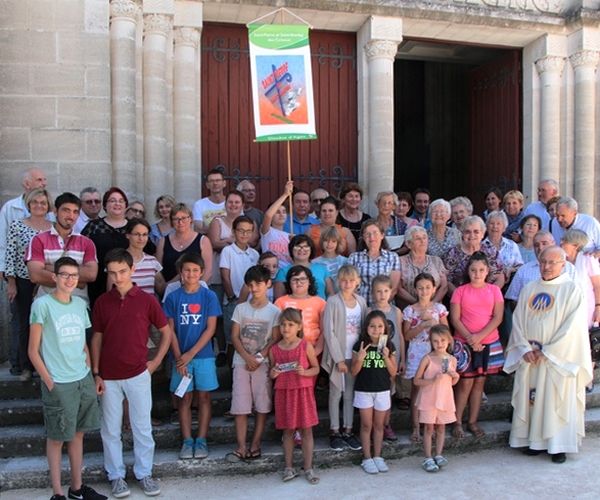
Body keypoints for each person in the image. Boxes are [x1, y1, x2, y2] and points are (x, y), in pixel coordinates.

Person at [91, 248, 172, 498]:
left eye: (122, 271)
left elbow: (166, 331)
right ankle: (116, 476)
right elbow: (96, 338)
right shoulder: (103, 302)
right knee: (111, 430)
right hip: (109, 375)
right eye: (113, 273)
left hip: (138, 372)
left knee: (142, 426)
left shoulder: (147, 300)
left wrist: (156, 361)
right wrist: (96, 372)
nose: (118, 277)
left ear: (132, 270)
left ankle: (144, 473)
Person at [504, 246, 592, 463]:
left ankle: (557, 445)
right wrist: (524, 348)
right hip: (531, 358)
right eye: (543, 262)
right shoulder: (530, 288)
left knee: (555, 401)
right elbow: (517, 321)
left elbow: (573, 327)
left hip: (557, 360)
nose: (547, 266)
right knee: (532, 400)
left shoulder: (571, 289)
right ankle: (534, 442)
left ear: (564, 264)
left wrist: (549, 351)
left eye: (552, 262)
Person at [28, 257, 106, 500]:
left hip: (81, 378)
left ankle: (76, 488)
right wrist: (49, 380)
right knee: (56, 438)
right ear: (54, 277)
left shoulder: (79, 305)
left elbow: (83, 343)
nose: (70, 279)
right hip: (59, 381)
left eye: (74, 275)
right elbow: (33, 349)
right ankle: (58, 493)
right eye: (65, 274)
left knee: (78, 434)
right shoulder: (42, 305)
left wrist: (90, 372)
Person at [163, 253, 221, 460]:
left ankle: (202, 439)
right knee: (184, 398)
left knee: (204, 397)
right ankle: (187, 440)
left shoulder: (209, 296)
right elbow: (170, 331)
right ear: (180, 273)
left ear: (202, 272)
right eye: (187, 270)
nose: (191, 274)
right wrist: (180, 357)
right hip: (180, 358)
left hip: (203, 356)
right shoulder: (172, 298)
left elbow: (210, 328)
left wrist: (191, 354)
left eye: (195, 270)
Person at [227, 265, 280, 462]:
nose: (254, 288)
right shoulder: (241, 308)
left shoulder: (274, 311)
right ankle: (241, 446)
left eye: (258, 283)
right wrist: (247, 357)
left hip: (263, 363)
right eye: (250, 284)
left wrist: (257, 358)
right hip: (241, 362)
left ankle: (256, 443)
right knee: (240, 406)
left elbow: (274, 339)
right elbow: (234, 336)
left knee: (262, 405)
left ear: (268, 284)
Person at [450, 252, 504, 439]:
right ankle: (457, 421)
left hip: (487, 342)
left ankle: (472, 421)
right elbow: (455, 319)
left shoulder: (494, 290)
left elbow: (498, 317)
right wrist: (470, 338)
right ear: (468, 271)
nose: (477, 273)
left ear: (487, 271)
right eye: (473, 270)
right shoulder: (460, 291)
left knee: (479, 383)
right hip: (465, 343)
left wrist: (479, 337)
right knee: (465, 383)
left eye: (481, 270)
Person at [0, 166, 49, 375]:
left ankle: (41, 363)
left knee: (43, 322)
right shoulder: (17, 225)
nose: (39, 205)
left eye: (43, 203)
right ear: (28, 204)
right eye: (35, 202)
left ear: (48, 206)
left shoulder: (52, 227)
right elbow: (9, 253)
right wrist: (10, 282)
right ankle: (23, 365)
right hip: (22, 280)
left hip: (45, 281)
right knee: (23, 322)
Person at [269, 308, 320, 484]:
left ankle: (308, 468)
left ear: (298, 326)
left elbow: (316, 368)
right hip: (284, 393)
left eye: (290, 324)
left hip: (302, 391)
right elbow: (272, 371)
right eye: (283, 324)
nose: (286, 328)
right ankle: (288, 467)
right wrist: (273, 373)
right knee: (288, 431)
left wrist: (305, 372)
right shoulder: (275, 349)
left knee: (306, 430)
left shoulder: (306, 346)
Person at [322, 264, 366, 452]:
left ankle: (348, 430)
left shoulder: (361, 302)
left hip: (354, 356)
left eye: (351, 280)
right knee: (335, 393)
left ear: (357, 282)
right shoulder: (333, 301)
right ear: (339, 281)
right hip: (339, 355)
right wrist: (338, 358)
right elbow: (329, 331)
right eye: (344, 280)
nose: (347, 284)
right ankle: (334, 431)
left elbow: (364, 329)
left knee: (350, 394)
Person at [26, 192, 98, 308]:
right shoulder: (38, 240)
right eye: (66, 210)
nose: (71, 215)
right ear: (55, 211)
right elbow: (35, 275)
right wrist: (78, 281)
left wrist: (49, 268)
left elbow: (91, 275)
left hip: (78, 307)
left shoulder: (87, 243)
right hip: (46, 306)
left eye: (75, 212)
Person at [403, 273, 449, 444]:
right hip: (417, 351)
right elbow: (407, 335)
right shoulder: (410, 310)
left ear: (434, 289)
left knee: (436, 388)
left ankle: (434, 425)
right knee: (417, 390)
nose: (424, 291)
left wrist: (434, 322)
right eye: (421, 288)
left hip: (436, 353)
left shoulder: (439, 309)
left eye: (428, 287)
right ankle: (416, 426)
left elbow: (446, 331)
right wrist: (421, 325)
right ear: (415, 289)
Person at [351, 310, 397, 474]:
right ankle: (367, 457)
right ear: (366, 328)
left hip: (382, 390)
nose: (376, 330)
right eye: (372, 326)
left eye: (379, 326)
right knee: (366, 425)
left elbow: (393, 372)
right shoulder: (360, 345)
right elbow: (354, 371)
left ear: (385, 328)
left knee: (379, 425)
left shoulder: (389, 346)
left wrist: (386, 357)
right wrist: (361, 358)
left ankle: (378, 456)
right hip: (364, 390)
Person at [413, 324, 459, 473]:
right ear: (430, 342)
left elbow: (452, 383)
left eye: (442, 341)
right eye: (435, 341)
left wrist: (455, 376)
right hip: (429, 398)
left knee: (441, 427)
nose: (439, 344)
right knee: (428, 428)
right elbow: (416, 380)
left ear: (449, 341)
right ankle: (427, 456)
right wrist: (432, 380)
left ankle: (439, 454)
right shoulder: (427, 359)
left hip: (444, 398)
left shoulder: (452, 360)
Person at [369, 275, 405, 442]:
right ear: (373, 293)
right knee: (376, 389)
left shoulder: (396, 311)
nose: (382, 294)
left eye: (385, 291)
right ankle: (374, 425)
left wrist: (402, 359)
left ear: (391, 292)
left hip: (392, 356)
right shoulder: (369, 311)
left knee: (389, 391)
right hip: (375, 357)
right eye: (378, 291)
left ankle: (386, 424)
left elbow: (400, 336)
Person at [220, 215, 260, 363]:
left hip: (251, 303)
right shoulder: (228, 251)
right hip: (234, 301)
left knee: (247, 338)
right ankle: (231, 373)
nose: (244, 234)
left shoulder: (255, 254)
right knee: (232, 339)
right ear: (234, 231)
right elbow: (225, 276)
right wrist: (232, 298)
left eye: (248, 231)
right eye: (241, 230)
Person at [82, 187, 129, 307]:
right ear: (105, 205)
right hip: (98, 283)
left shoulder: (134, 227)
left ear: (126, 205)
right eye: (112, 200)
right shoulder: (93, 226)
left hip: (128, 282)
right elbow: (81, 251)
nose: (117, 203)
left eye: (121, 200)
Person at [505, 231, 576, 305]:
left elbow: (575, 296)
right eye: (536, 245)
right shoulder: (524, 270)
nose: (540, 248)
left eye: (544, 243)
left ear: (553, 243)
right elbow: (513, 299)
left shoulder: (569, 268)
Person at [274, 266, 327, 358]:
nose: (299, 282)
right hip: (287, 352)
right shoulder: (280, 302)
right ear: (289, 282)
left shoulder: (320, 302)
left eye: (303, 279)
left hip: (314, 351)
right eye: (294, 279)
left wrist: (315, 353)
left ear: (309, 281)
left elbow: (324, 331)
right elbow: (276, 332)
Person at [444, 215, 504, 295]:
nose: (472, 235)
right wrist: (460, 297)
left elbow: (500, 276)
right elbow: (447, 281)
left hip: (487, 297)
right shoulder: (453, 253)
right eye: (467, 232)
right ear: (462, 234)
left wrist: (491, 294)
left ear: (482, 234)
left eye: (476, 232)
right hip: (461, 299)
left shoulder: (490, 250)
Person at [156, 203, 213, 285]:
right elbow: (158, 271)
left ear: (191, 219)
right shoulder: (163, 241)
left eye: (184, 218)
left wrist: (196, 289)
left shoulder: (203, 241)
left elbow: (208, 271)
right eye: (176, 219)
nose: (180, 222)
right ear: (171, 222)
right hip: (169, 290)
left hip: (195, 290)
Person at [347, 219, 400, 306]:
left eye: (375, 233)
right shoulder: (354, 258)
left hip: (385, 307)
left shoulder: (393, 257)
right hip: (360, 307)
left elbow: (393, 288)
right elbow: (350, 286)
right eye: (367, 234)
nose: (371, 237)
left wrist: (379, 307)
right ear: (363, 237)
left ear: (382, 235)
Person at [397, 226, 448, 308]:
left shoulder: (436, 260)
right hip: (409, 310)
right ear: (409, 244)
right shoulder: (400, 261)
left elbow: (444, 286)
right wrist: (419, 305)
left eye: (424, 238)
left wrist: (431, 304)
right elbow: (398, 289)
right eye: (417, 238)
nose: (422, 241)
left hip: (434, 309)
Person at [560, 229, 600, 327]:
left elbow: (597, 285)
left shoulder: (588, 259)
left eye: (565, 241)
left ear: (576, 245)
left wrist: (598, 307)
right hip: (565, 311)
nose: (561, 243)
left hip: (586, 309)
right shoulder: (561, 262)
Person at [273, 234, 332, 300]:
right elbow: (279, 299)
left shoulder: (322, 269)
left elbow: (331, 294)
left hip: (321, 309)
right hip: (294, 309)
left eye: (306, 246)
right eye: (298, 246)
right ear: (291, 250)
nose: (302, 249)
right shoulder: (283, 272)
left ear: (311, 249)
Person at [121, 218, 165, 297]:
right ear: (127, 235)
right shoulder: (118, 260)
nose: (141, 238)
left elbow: (162, 290)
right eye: (137, 234)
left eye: (144, 234)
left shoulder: (153, 261)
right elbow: (111, 292)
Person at [260, 182, 293, 269]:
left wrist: (294, 244)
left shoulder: (290, 236)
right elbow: (268, 215)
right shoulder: (267, 231)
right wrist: (285, 195)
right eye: (277, 212)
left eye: (284, 212)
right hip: (269, 273)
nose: (281, 214)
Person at [484, 210, 523, 282]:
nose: (495, 226)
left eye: (498, 224)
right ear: (486, 226)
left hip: (509, 285)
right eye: (492, 223)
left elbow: (520, 267)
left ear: (504, 228)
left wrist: (511, 269)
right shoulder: (480, 246)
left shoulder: (512, 245)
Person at [311, 226, 348, 292]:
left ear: (338, 243)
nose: (329, 244)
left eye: (333, 241)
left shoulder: (345, 261)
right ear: (322, 242)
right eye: (326, 241)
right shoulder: (314, 263)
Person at [193, 167, 227, 233]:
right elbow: (198, 229)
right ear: (207, 185)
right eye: (211, 181)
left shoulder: (233, 203)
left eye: (218, 180)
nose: (215, 183)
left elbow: (239, 225)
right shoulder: (199, 204)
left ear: (224, 183)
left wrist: (208, 227)